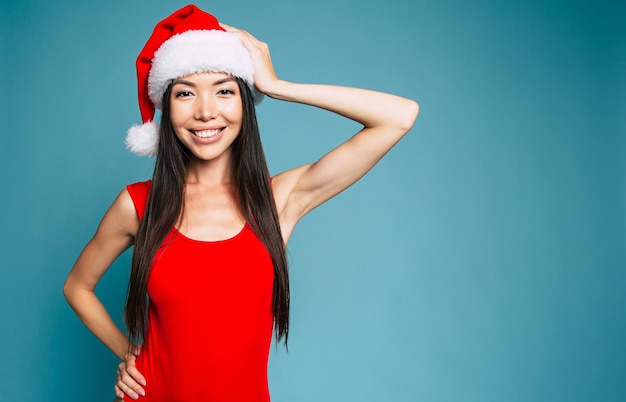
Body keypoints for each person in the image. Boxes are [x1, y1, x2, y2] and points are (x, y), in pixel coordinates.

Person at [63, 4, 418, 402]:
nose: (205, 111)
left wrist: (277, 85)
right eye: (185, 93)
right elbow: (77, 286)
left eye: (225, 90)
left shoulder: (278, 200)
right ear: (167, 106)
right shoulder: (137, 205)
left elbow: (399, 116)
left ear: (246, 102)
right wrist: (130, 354)